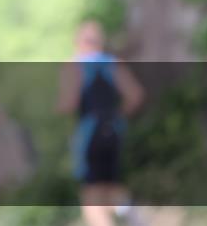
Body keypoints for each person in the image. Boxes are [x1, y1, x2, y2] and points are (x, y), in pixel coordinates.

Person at [57, 21, 145, 226]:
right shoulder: (112, 63)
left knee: (91, 198)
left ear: (78, 42)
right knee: (111, 187)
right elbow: (136, 95)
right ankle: (129, 212)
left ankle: (123, 216)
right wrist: (116, 115)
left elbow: (69, 103)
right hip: (114, 131)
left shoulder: (74, 65)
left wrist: (59, 107)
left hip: (90, 133)